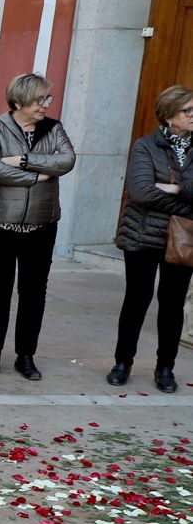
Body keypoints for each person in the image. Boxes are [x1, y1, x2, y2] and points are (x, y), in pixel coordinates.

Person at [0, 72, 75, 379]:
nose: (44, 105)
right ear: (18, 101)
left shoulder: (53, 128)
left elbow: (67, 161)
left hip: (41, 224)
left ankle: (25, 355)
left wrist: (24, 160)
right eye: (38, 100)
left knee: (34, 293)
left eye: (47, 98)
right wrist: (39, 174)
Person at [108, 85, 193, 392]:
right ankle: (122, 363)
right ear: (169, 115)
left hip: (183, 239)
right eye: (188, 110)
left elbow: (166, 191)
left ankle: (165, 368)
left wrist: (176, 189)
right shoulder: (146, 146)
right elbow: (142, 191)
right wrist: (187, 200)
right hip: (143, 234)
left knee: (172, 305)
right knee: (136, 300)